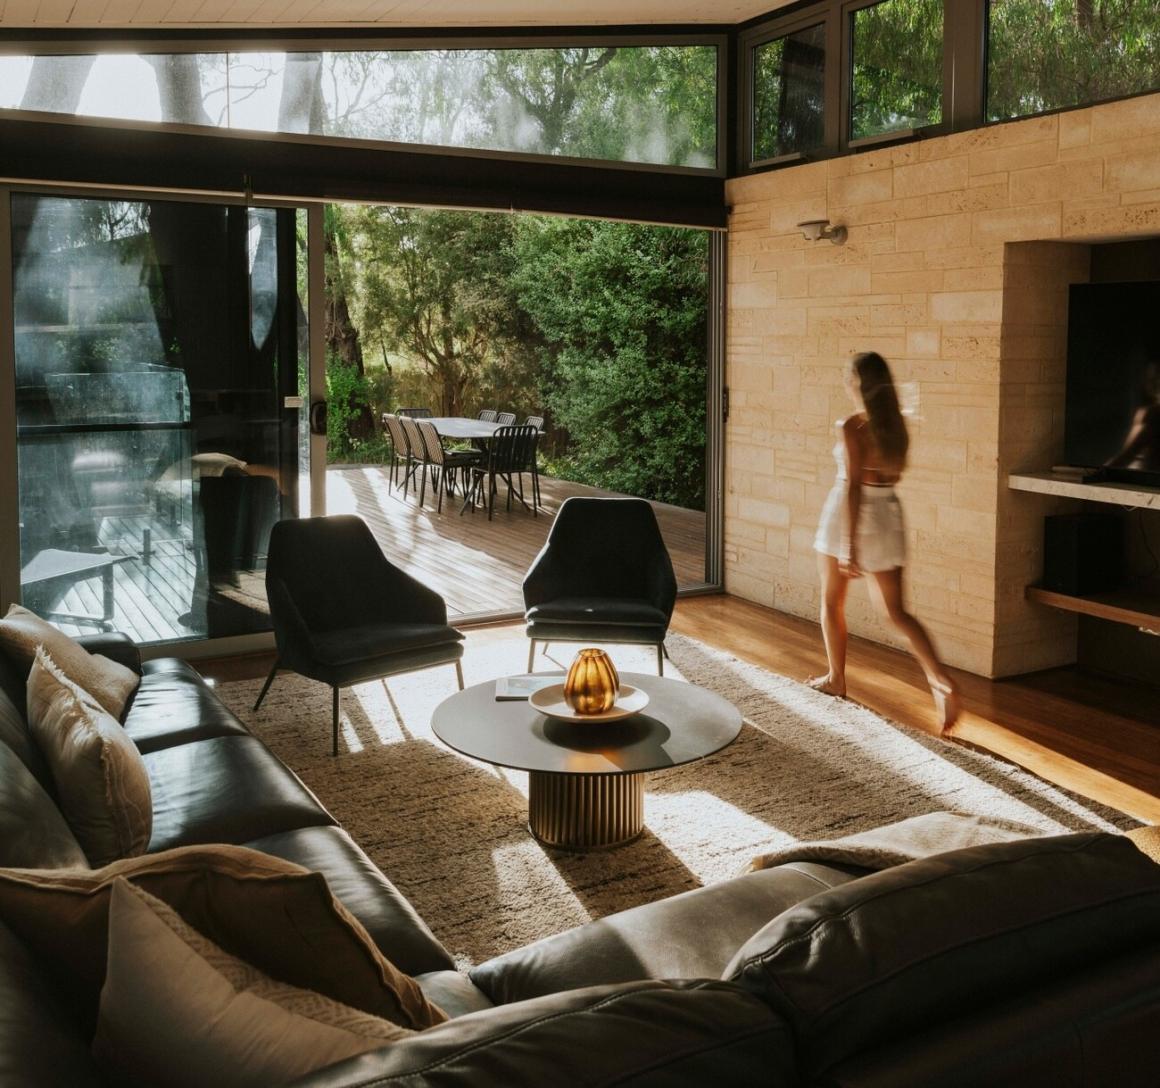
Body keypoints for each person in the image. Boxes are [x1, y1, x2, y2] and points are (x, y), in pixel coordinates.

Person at [808, 351, 960, 733]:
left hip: (850, 515)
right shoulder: (897, 427)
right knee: (897, 613)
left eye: (849, 378)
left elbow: (854, 487)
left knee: (831, 601)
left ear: (858, 384)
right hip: (889, 516)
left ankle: (836, 678)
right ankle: (940, 679)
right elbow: (886, 480)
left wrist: (849, 545)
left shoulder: (852, 426)